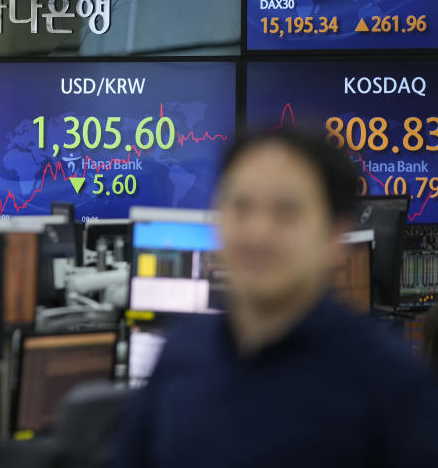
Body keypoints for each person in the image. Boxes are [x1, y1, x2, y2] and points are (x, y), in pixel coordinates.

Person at [113, 130, 438, 467]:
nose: (258, 232)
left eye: (286, 211)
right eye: (241, 206)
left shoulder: (390, 380)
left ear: (335, 235)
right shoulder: (182, 351)